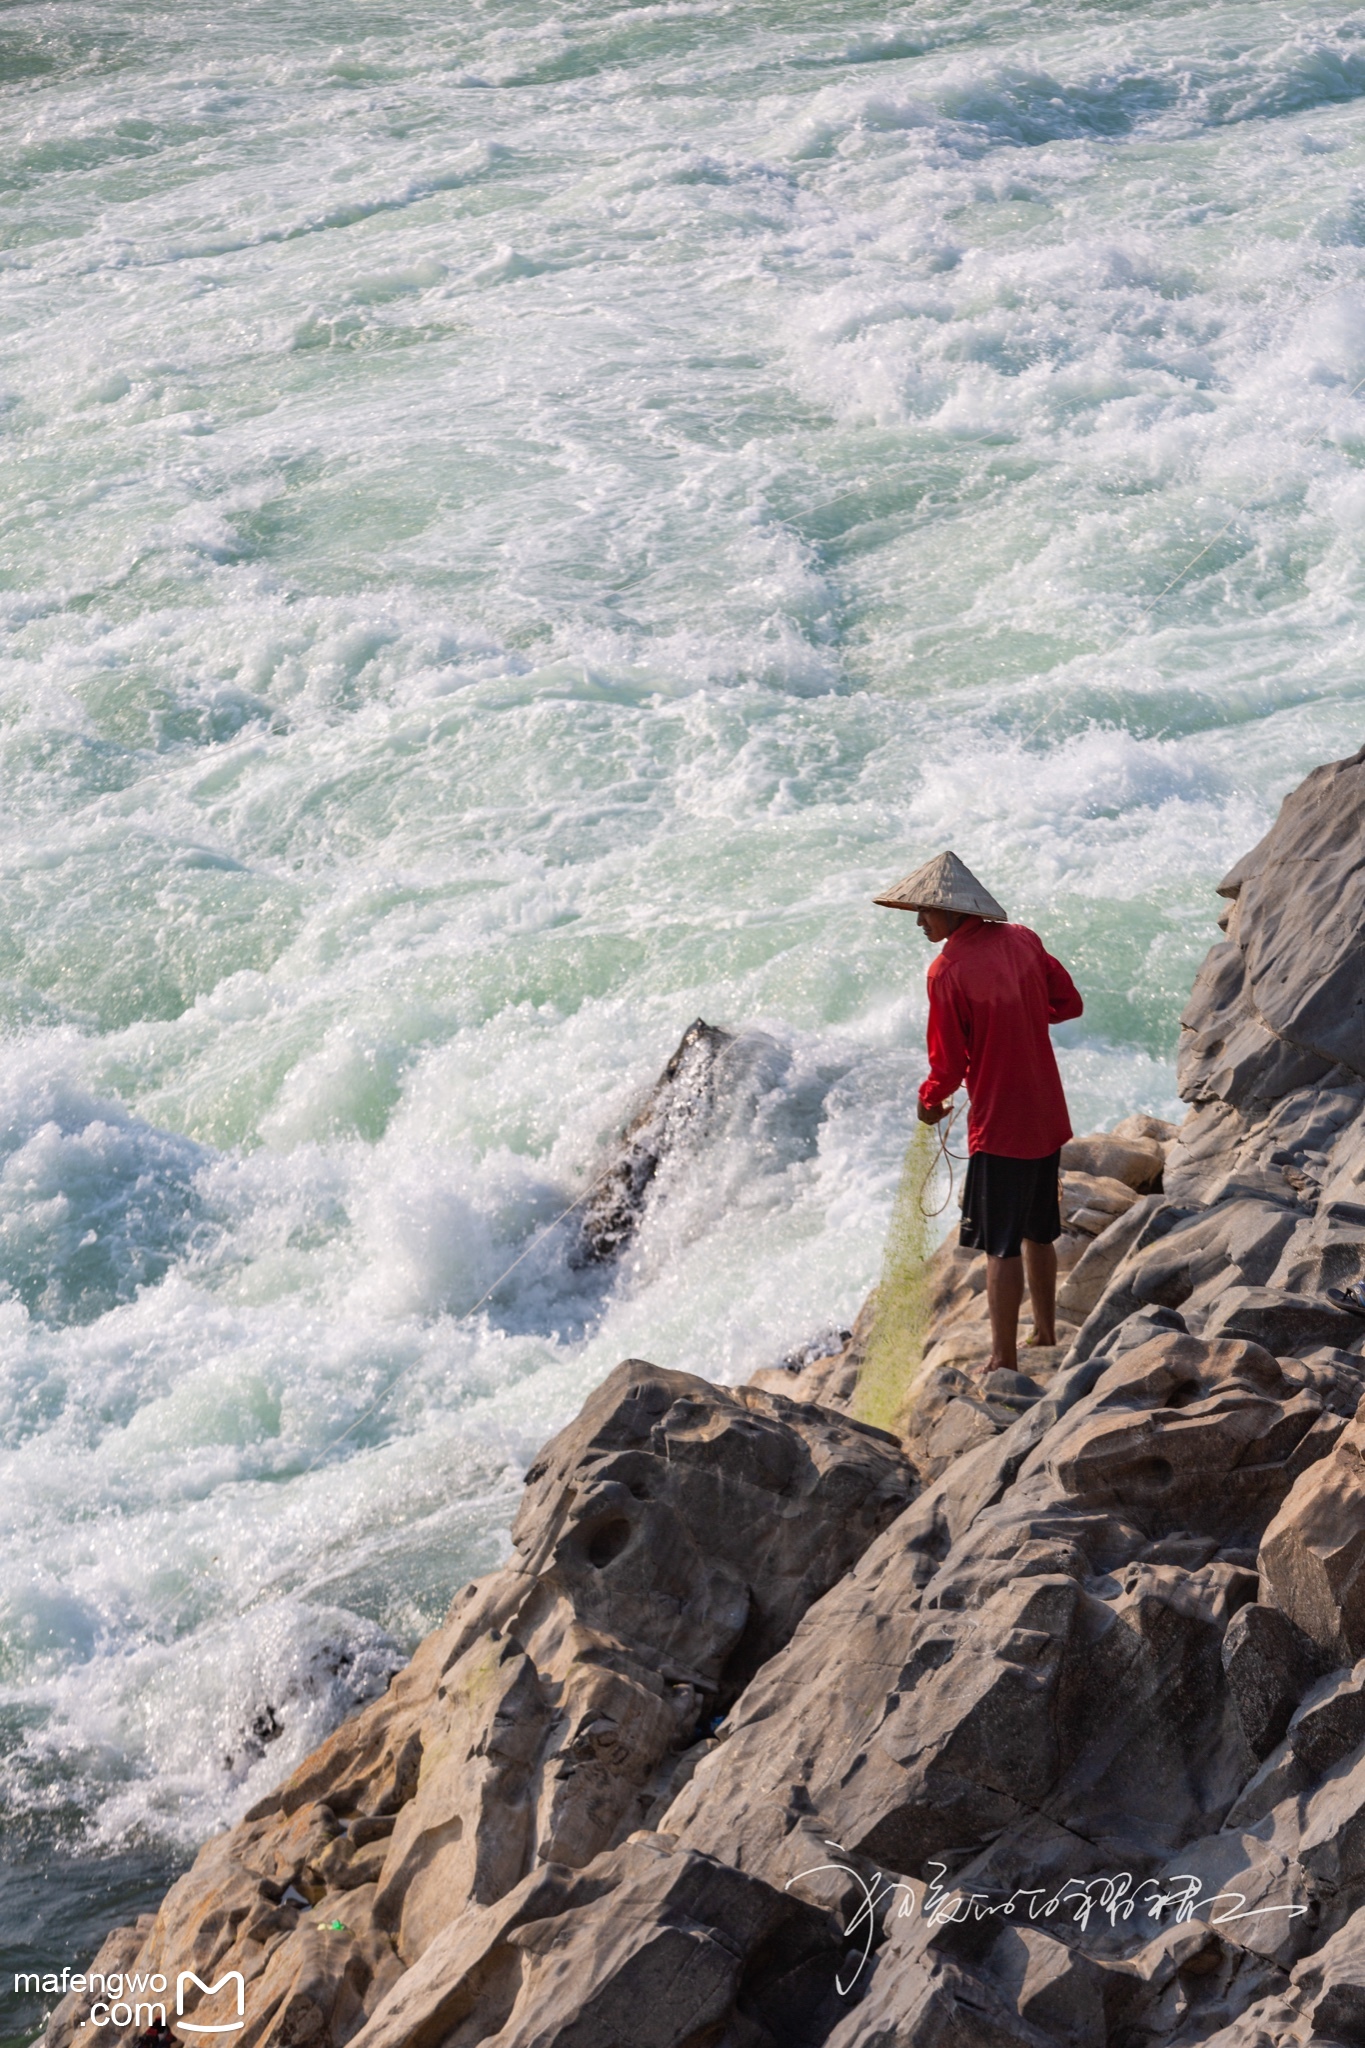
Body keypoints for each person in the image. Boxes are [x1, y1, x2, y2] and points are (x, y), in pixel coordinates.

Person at [875, 850, 1084, 1375]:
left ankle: (1003, 1360)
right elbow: (1068, 1004)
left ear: (952, 911)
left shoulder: (947, 971)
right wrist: (1021, 1018)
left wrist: (929, 1102)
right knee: (1041, 1228)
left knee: (1000, 1245)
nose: (919, 922)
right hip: (1044, 1109)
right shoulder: (1023, 939)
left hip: (1000, 1123)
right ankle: (1045, 1331)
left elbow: (947, 1064)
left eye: (925, 911)